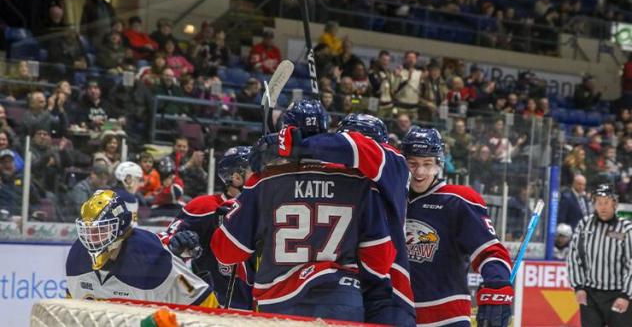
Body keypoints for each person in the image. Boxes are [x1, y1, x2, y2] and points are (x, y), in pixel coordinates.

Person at [211, 101, 395, 322]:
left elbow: (227, 251)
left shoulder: (265, 182)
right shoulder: (360, 183)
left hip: (278, 300)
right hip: (342, 297)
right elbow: (378, 255)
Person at [277, 112, 416, 325]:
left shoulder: (392, 161)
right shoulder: (346, 180)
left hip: (390, 289)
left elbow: (356, 147)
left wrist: (302, 142)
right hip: (351, 286)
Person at [401, 127, 513, 327]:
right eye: (412, 164)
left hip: (447, 317)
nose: (419, 172)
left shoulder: (458, 200)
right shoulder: (392, 197)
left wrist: (497, 285)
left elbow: (490, 251)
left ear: (438, 165)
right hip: (398, 313)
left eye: (427, 164)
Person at [66, 190, 214, 305]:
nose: (92, 238)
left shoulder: (152, 255)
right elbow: (71, 311)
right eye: (88, 230)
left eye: (102, 230)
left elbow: (201, 298)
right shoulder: (77, 255)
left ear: (121, 227)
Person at [159, 146, 253, 309]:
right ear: (237, 177)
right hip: (214, 307)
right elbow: (164, 242)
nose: (261, 175)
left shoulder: (269, 207)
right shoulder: (204, 207)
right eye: (255, 170)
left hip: (261, 307)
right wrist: (178, 244)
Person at [568, 184, 632, 326]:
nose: (603, 207)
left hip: (618, 294)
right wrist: (578, 287)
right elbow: (574, 256)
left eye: (607, 202)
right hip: (591, 295)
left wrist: (626, 295)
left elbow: (631, 263)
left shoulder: (626, 228)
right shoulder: (584, 225)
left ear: (614, 203)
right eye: (599, 202)